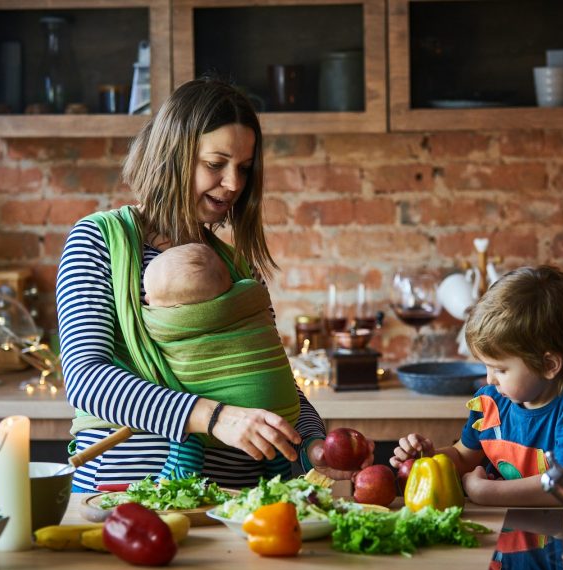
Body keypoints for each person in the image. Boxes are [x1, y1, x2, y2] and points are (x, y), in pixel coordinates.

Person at [57, 77, 371, 492]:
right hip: (128, 498)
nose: (234, 184)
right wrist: (216, 417)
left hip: (240, 508)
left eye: (243, 168)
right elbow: (87, 379)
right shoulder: (100, 241)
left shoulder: (238, 269)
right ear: (173, 155)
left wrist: (312, 443)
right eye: (215, 164)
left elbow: (275, 382)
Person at [390, 265, 563, 506]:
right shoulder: (491, 401)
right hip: (504, 527)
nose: (489, 379)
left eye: (500, 369)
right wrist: (428, 458)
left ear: (549, 365)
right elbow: (465, 457)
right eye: (486, 367)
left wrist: (485, 492)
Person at [141, 242, 299, 480]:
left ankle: (179, 476)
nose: (147, 299)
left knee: (185, 435)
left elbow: (149, 328)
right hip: (281, 413)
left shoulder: (169, 322)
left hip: (214, 437)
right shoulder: (249, 296)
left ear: (178, 309)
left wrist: (313, 438)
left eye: (150, 297)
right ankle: (282, 479)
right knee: (277, 457)